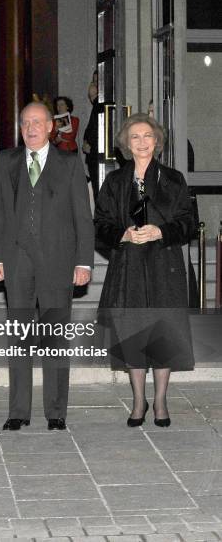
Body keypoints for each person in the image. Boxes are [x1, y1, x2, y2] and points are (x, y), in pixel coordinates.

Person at [0, 102, 94, 431]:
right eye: (25, 123)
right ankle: (18, 411)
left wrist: (84, 261)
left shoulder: (69, 162)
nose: (30, 128)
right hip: (18, 260)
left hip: (58, 262)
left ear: (50, 126)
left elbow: (83, 216)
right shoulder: (6, 161)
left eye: (37, 122)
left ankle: (56, 412)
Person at [95, 113, 195, 428]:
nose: (141, 142)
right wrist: (123, 234)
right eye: (135, 137)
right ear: (126, 143)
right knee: (134, 332)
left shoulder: (174, 179)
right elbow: (101, 225)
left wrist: (161, 231)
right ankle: (139, 400)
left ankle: (161, 401)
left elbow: (188, 223)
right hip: (129, 267)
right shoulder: (114, 182)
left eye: (147, 136)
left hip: (165, 265)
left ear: (157, 141)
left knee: (163, 332)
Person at [83, 71, 100, 200]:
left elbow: (96, 129)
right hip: (93, 154)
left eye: (96, 82)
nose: (93, 85)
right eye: (93, 82)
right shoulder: (96, 106)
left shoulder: (100, 105)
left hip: (97, 153)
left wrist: (90, 143)